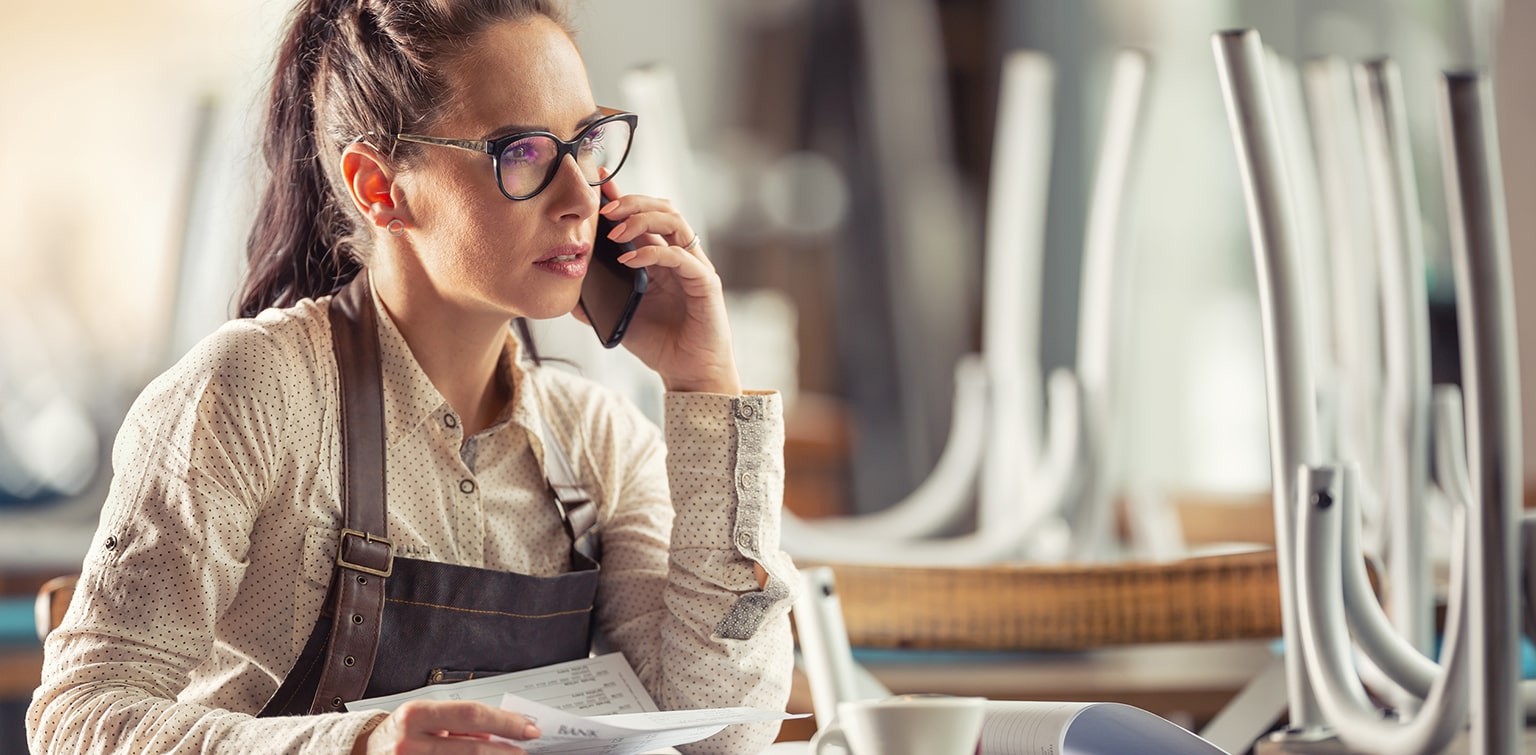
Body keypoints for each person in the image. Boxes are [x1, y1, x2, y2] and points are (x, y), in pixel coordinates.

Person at [26, 0, 799, 752]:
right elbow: (77, 718)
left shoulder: (596, 441)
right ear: (378, 186)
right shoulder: (249, 394)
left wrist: (705, 385)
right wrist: (359, 745)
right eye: (522, 153)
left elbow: (724, 727)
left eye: (587, 142)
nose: (580, 199)